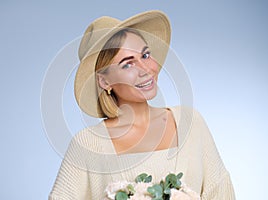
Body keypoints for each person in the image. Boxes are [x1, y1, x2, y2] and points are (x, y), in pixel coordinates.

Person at [49, 10, 235, 199]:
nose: (145, 70)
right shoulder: (88, 145)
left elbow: (222, 193)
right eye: (127, 65)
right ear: (104, 82)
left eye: (145, 56)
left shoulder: (191, 122)